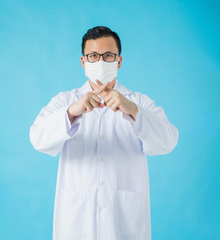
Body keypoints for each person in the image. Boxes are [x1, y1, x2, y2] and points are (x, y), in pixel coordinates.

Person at [29, 26, 179, 240]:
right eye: (93, 56)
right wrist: (71, 112)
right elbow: (37, 139)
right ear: (83, 62)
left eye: (108, 56)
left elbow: (168, 141)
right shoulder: (65, 101)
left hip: (125, 221)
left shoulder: (139, 101)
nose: (101, 62)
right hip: (76, 221)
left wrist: (133, 111)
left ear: (118, 61)